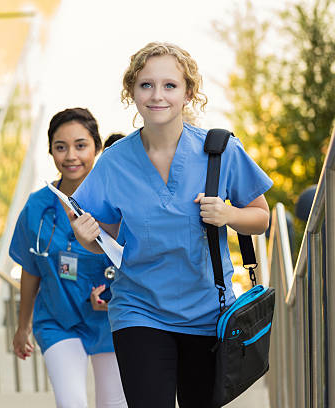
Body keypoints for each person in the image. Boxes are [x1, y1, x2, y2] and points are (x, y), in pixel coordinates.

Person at [69, 42, 273, 408]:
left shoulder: (220, 150)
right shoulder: (114, 162)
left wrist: (229, 216)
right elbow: (104, 236)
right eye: (146, 85)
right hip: (139, 310)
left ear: (188, 93)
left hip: (209, 313)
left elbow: (261, 218)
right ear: (131, 91)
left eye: (169, 86)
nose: (157, 95)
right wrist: (86, 238)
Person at [10, 108, 127, 408]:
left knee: (113, 404)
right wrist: (23, 326)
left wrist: (115, 296)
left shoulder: (118, 203)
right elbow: (31, 269)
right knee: (71, 402)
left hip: (111, 321)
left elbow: (138, 261)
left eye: (80, 145)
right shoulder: (37, 207)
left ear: (97, 148)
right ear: (50, 151)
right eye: (60, 147)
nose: (71, 156)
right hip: (57, 320)